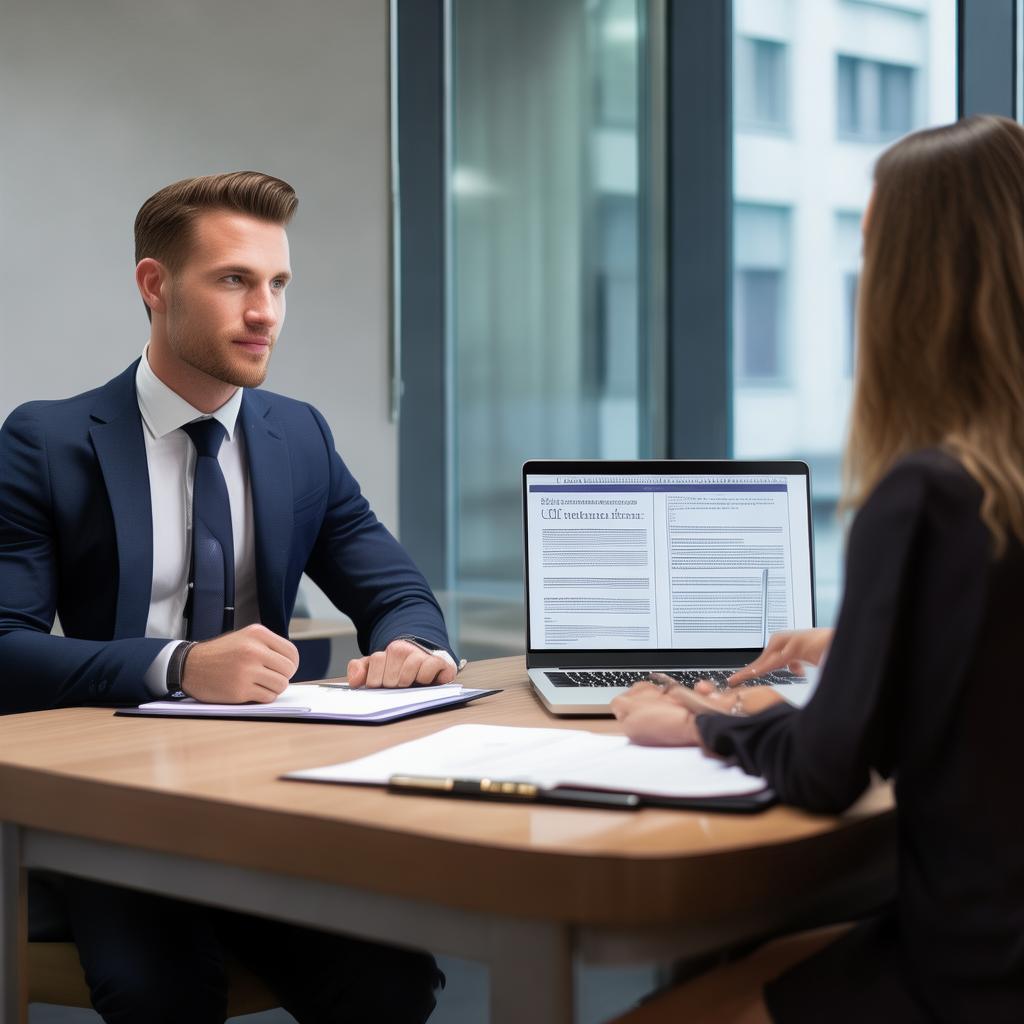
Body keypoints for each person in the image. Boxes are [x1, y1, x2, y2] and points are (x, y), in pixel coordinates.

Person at [0, 172, 454, 1022]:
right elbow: (3, 648)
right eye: (234, 280)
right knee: (160, 991)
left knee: (390, 984)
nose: (265, 312)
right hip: (113, 805)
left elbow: (394, 588)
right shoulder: (45, 439)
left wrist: (411, 644)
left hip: (265, 795)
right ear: (154, 286)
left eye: (277, 283)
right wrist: (177, 667)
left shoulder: (299, 436)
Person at [612, 115, 1024, 1023]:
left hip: (976, 969)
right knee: (777, 955)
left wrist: (704, 722)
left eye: (872, 251)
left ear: (914, 281)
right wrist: (868, 643)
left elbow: (828, 770)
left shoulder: (927, 494)